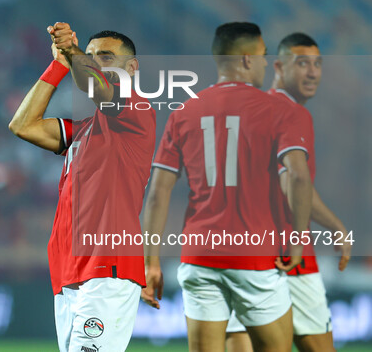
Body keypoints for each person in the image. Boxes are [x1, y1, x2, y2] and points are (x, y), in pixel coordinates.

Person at [141, 22, 313, 352]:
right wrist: (298, 237)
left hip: (199, 256)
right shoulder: (278, 110)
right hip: (256, 259)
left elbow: (158, 194)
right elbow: (299, 176)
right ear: (247, 59)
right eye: (264, 56)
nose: (266, 63)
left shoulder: (183, 111)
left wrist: (151, 262)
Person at [9, 22, 156, 352]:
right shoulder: (85, 130)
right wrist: (60, 63)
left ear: (131, 68)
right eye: (88, 57)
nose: (92, 63)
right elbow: (23, 125)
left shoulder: (137, 108)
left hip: (108, 265)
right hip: (69, 271)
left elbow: (103, 91)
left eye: (104, 57)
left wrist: (73, 53)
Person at [225, 33, 352, 352]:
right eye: (303, 63)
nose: (312, 72)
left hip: (241, 251)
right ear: (279, 67)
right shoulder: (290, 113)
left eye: (317, 64)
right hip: (285, 252)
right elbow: (293, 181)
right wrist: (315, 232)